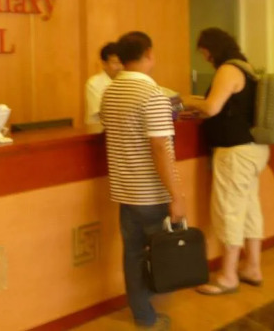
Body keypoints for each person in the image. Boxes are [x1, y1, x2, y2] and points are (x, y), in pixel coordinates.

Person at [100, 31, 185, 330]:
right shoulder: (153, 95)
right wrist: (177, 195)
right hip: (152, 194)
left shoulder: (110, 92)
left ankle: (143, 316)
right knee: (163, 254)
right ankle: (150, 311)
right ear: (149, 53)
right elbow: (160, 147)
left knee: (133, 255)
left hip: (126, 191)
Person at [181, 27, 269, 295]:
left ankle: (228, 276)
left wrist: (185, 100)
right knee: (249, 207)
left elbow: (212, 107)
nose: (205, 57)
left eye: (204, 52)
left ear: (213, 47)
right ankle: (252, 267)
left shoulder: (228, 69)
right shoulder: (246, 68)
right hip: (254, 149)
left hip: (234, 152)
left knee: (229, 210)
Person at [85, 42, 123, 124]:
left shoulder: (126, 81)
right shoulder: (94, 83)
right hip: (99, 129)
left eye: (122, 62)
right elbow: (101, 112)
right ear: (104, 64)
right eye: (116, 63)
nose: (120, 67)